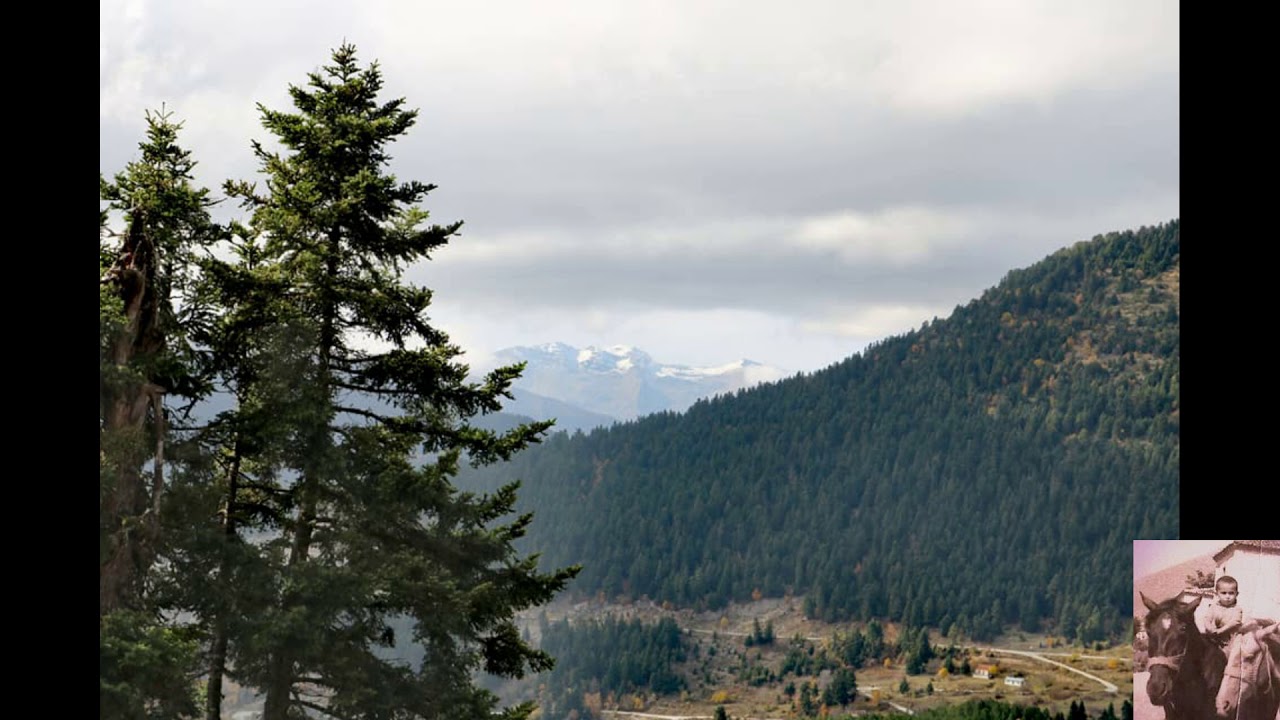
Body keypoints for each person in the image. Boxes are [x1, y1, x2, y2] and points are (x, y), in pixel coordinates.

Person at [1198, 575, 1246, 658]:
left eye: (1231, 593)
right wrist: (1210, 628)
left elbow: (1235, 622)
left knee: (1232, 656)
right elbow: (1207, 619)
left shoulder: (1237, 609)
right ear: (1217, 594)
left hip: (1229, 642)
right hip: (1213, 638)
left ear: (1236, 594)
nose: (1227, 596)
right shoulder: (1213, 607)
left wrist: (1220, 631)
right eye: (1223, 593)